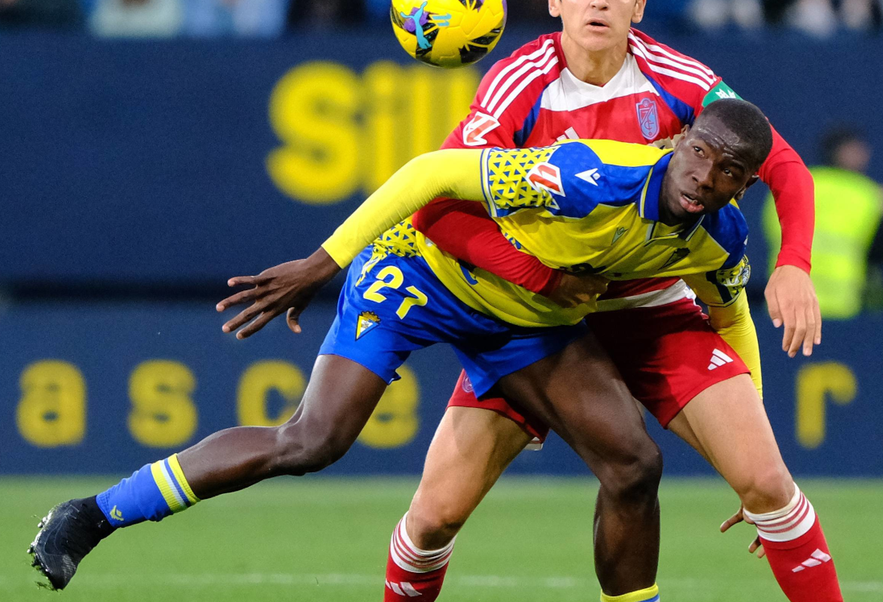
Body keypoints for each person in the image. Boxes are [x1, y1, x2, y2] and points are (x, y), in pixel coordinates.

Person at [29, 100, 773, 602]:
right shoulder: (589, 175)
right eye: (701, 154)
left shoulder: (721, 236)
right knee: (312, 440)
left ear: (743, 185)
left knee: (634, 464)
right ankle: (92, 514)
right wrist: (325, 262)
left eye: (729, 172)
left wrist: (750, 452)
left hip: (524, 321)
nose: (707, 177)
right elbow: (430, 175)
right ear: (678, 142)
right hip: (423, 273)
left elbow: (730, 317)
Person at [384, 0, 839, 602]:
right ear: (555, 1)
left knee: (770, 483)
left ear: (641, 6)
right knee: (432, 517)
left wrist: (794, 263)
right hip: (538, 325)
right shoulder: (515, 85)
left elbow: (785, 165)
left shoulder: (681, 80)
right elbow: (435, 208)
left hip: (652, 308)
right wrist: (538, 278)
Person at [763, 127, 883, 319]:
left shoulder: (792, 182)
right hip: (841, 305)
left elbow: (769, 230)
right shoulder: (867, 194)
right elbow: (882, 252)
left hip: (786, 301)